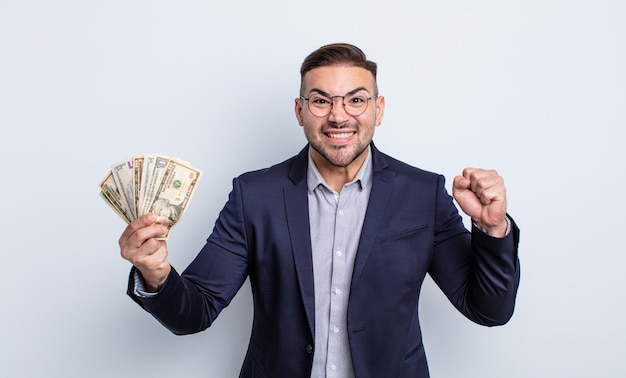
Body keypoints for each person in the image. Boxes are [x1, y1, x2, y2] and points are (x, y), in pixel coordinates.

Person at [119, 43, 520, 378]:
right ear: (299, 111)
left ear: (378, 110)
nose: (339, 115)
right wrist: (156, 277)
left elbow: (488, 310)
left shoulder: (423, 194)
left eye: (356, 100)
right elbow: (196, 312)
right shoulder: (254, 195)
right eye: (321, 100)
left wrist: (493, 229)